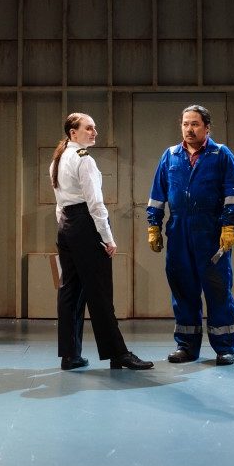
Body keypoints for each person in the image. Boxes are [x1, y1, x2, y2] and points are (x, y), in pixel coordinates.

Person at [50, 113, 153, 371]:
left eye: (94, 128)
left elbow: (60, 204)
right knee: (100, 293)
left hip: (66, 227)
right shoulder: (84, 160)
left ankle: (70, 355)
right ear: (73, 133)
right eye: (88, 128)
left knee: (69, 291)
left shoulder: (57, 160)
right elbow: (96, 204)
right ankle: (118, 354)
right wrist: (107, 237)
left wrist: (65, 231)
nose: (94, 132)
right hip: (85, 226)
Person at [146, 104, 234, 366]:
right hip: (179, 233)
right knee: (183, 290)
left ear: (207, 127)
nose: (189, 129)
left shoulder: (220, 154)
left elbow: (233, 192)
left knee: (217, 290)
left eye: (195, 124)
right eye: (185, 124)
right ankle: (186, 346)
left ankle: (225, 347)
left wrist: (230, 225)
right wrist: (153, 225)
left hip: (211, 233)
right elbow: (157, 195)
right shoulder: (170, 156)